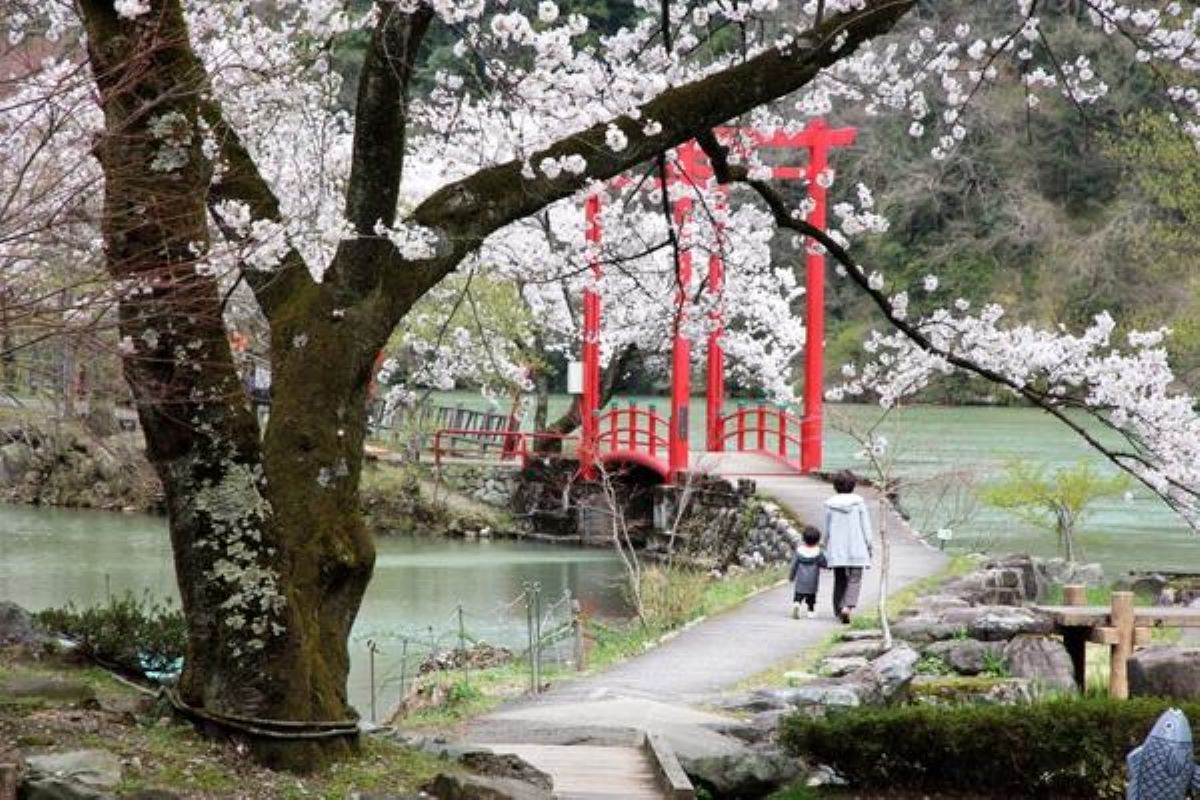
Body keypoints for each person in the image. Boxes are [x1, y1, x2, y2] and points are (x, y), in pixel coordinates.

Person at [824, 470, 874, 624]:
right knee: (855, 579)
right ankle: (848, 606)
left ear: (835, 486)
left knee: (839, 579)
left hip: (838, 549)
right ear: (853, 485)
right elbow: (866, 527)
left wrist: (825, 544)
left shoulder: (830, 505)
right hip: (857, 547)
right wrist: (869, 544)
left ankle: (838, 609)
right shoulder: (859, 504)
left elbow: (827, 529)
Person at [789, 525, 827, 619]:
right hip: (812, 580)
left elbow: (794, 565)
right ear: (817, 540)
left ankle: (797, 604)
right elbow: (824, 563)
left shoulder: (799, 552)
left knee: (798, 594)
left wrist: (791, 576)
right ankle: (810, 611)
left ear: (803, 539)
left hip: (800, 580)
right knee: (811, 597)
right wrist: (828, 566)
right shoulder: (818, 552)